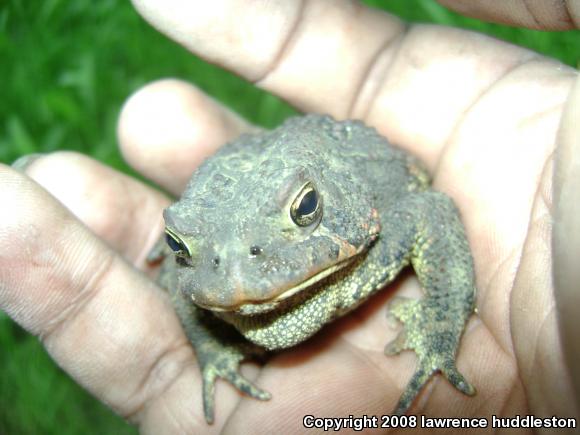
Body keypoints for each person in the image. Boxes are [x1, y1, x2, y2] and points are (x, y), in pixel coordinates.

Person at [1, 1, 579, 432]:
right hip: (241, 188)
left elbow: (428, 209)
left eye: (301, 213)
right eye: (182, 246)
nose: (241, 272)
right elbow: (186, 285)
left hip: (341, 168)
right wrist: (213, 344)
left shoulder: (370, 227)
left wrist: (440, 324)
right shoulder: (209, 273)